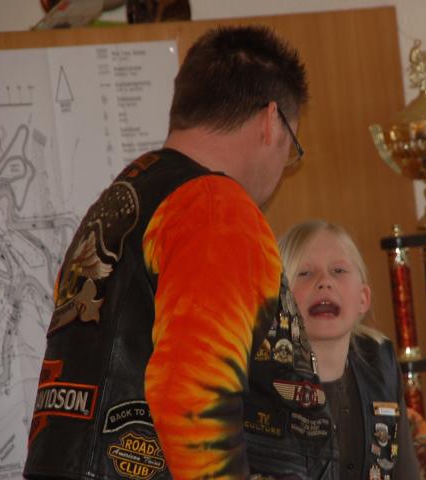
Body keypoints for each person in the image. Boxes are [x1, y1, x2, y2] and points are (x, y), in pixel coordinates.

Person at [24, 26, 337, 479]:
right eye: (292, 146)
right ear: (271, 122)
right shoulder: (215, 206)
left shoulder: (126, 199)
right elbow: (193, 400)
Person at [278, 219, 421, 480]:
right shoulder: (259, 381)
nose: (324, 281)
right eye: (305, 273)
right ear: (279, 300)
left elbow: (405, 473)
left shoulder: (381, 365)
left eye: (338, 270)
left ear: (363, 298)